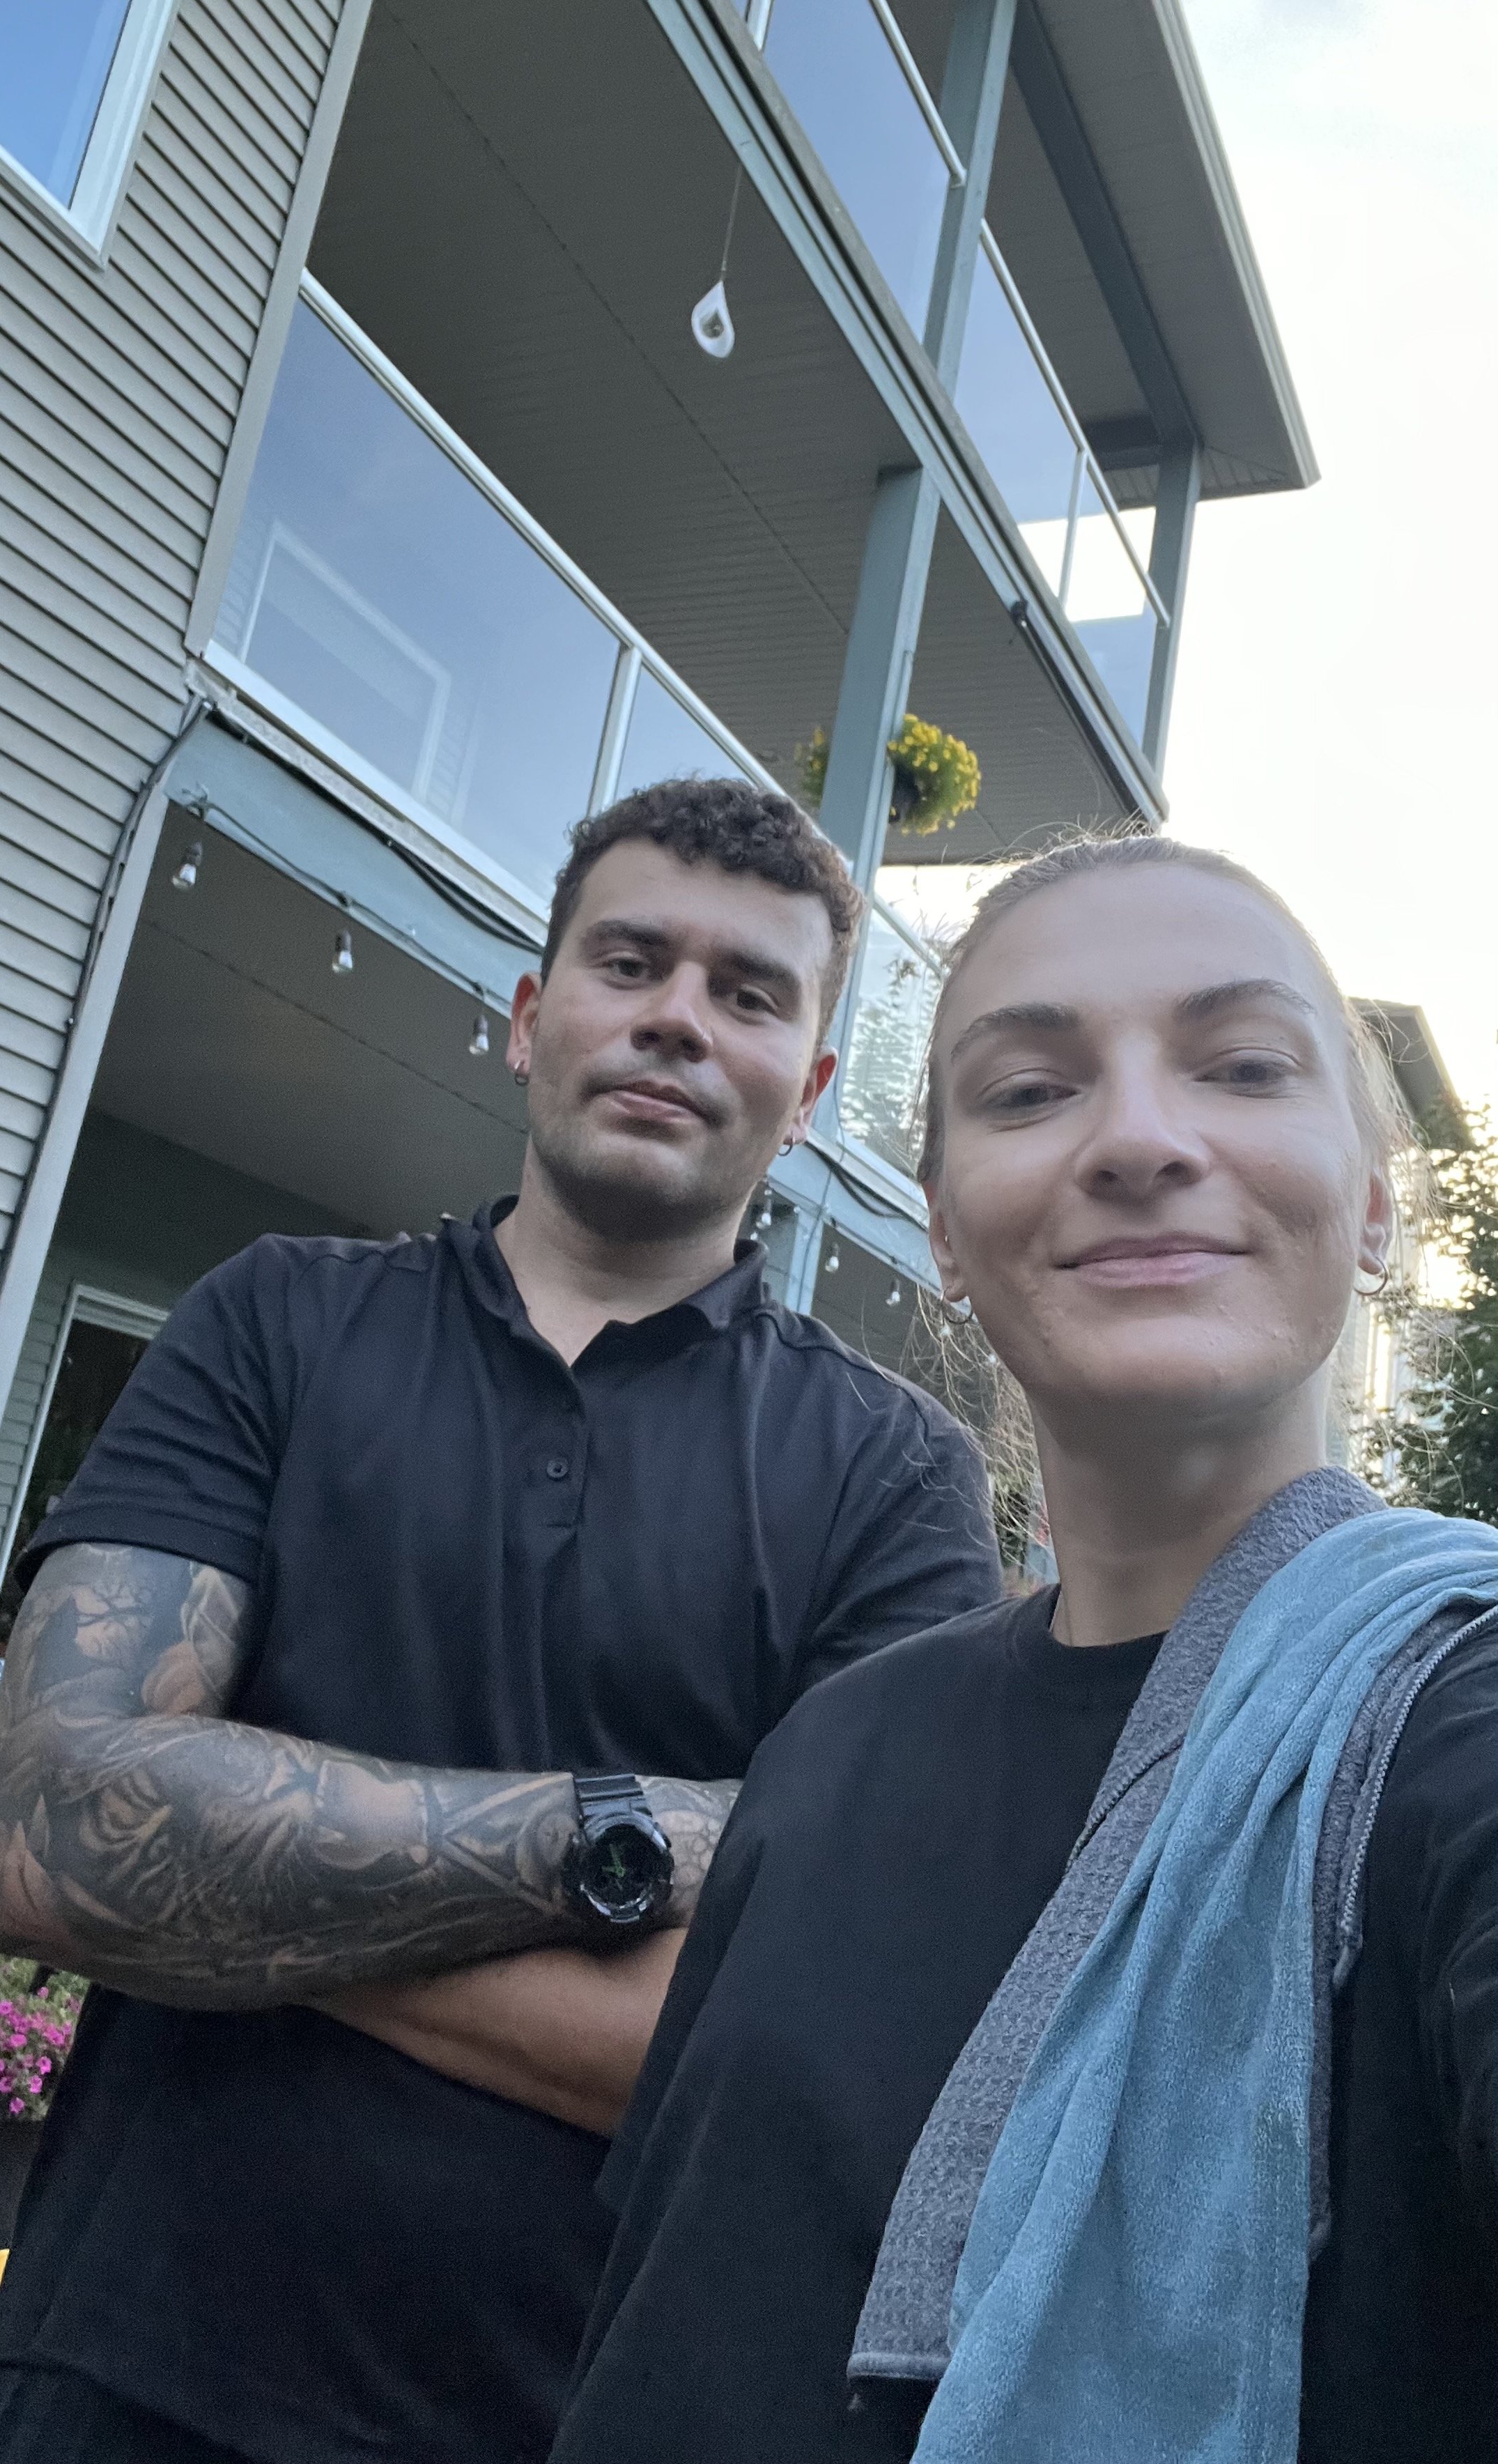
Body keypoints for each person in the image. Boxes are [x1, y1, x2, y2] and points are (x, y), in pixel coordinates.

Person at [0, 778, 998, 2464]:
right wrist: (639, 1833)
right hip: (107, 2380)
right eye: (629, 962)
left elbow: (812, 2049)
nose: (673, 1020)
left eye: (745, 994)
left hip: (569, 2422)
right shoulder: (276, 1326)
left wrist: (232, 1904)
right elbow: (51, 1837)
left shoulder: (892, 1478)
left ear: (807, 1093)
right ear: (529, 1018)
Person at [550, 831, 1498, 2464]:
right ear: (939, 1229)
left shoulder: (1451, 1724)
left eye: (1244, 1065)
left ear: (1371, 1209)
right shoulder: (830, 1753)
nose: (1137, 1139)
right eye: (1029, 1091)